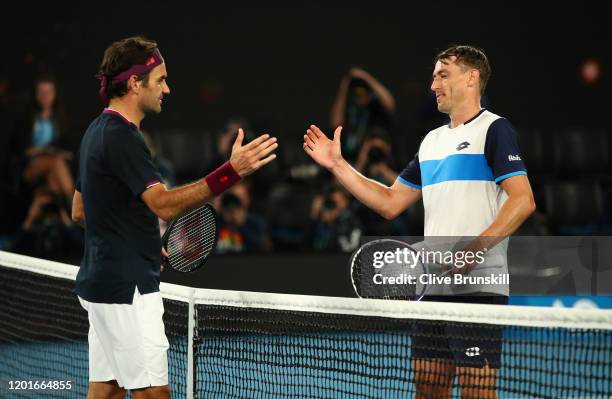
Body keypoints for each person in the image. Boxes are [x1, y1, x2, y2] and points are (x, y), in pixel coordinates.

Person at [304, 45, 536, 399]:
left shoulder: (495, 130)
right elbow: (390, 201)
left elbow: (523, 201)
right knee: (428, 388)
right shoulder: (432, 142)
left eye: (443, 74)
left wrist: (470, 254)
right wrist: (338, 165)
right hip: (433, 288)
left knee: (477, 393)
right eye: (433, 76)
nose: (433, 85)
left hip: (477, 288)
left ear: (472, 77)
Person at [71, 36, 277, 399]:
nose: (168, 88)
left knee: (108, 390)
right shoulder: (123, 138)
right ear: (135, 83)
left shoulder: (95, 131)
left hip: (101, 284)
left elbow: (80, 210)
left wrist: (138, 238)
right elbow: (163, 205)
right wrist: (231, 171)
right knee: (154, 394)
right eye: (161, 79)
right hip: (128, 290)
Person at [10, 75, 75, 210]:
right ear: (36, 95)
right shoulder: (26, 119)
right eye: (42, 93)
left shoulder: (59, 120)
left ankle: (67, 220)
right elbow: (23, 151)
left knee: (54, 180)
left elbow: (66, 148)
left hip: (54, 166)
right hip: (29, 168)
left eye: (49, 92)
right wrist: (42, 150)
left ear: (55, 94)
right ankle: (76, 206)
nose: (45, 97)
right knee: (55, 161)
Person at [330, 67, 395, 161]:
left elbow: (390, 104)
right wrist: (344, 87)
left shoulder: (375, 107)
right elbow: (335, 123)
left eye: (363, 93)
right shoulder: (350, 108)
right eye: (356, 93)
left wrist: (365, 77)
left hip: (372, 158)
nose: (360, 97)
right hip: (350, 158)